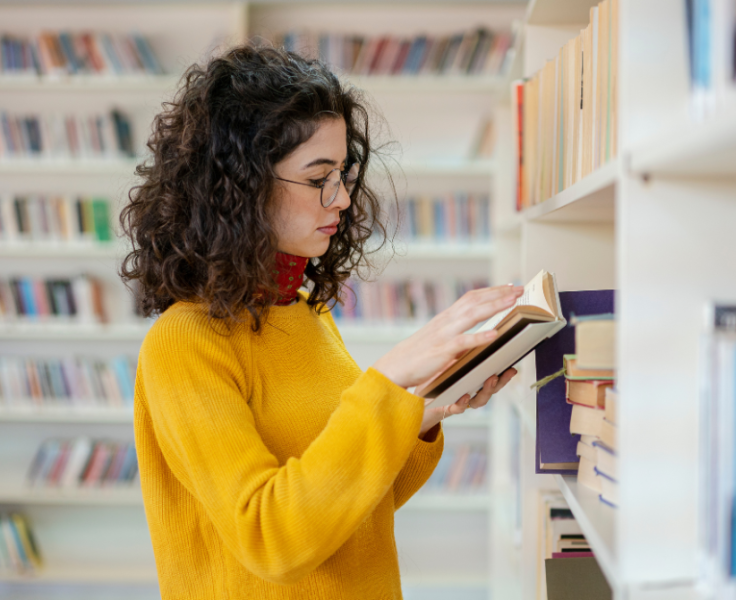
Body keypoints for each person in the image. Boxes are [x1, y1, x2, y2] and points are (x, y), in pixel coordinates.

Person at [120, 44, 521, 600]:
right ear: (240, 185)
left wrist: (423, 411)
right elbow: (272, 540)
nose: (343, 200)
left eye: (343, 174)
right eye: (318, 179)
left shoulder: (306, 311)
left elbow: (350, 511)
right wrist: (388, 381)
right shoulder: (183, 343)